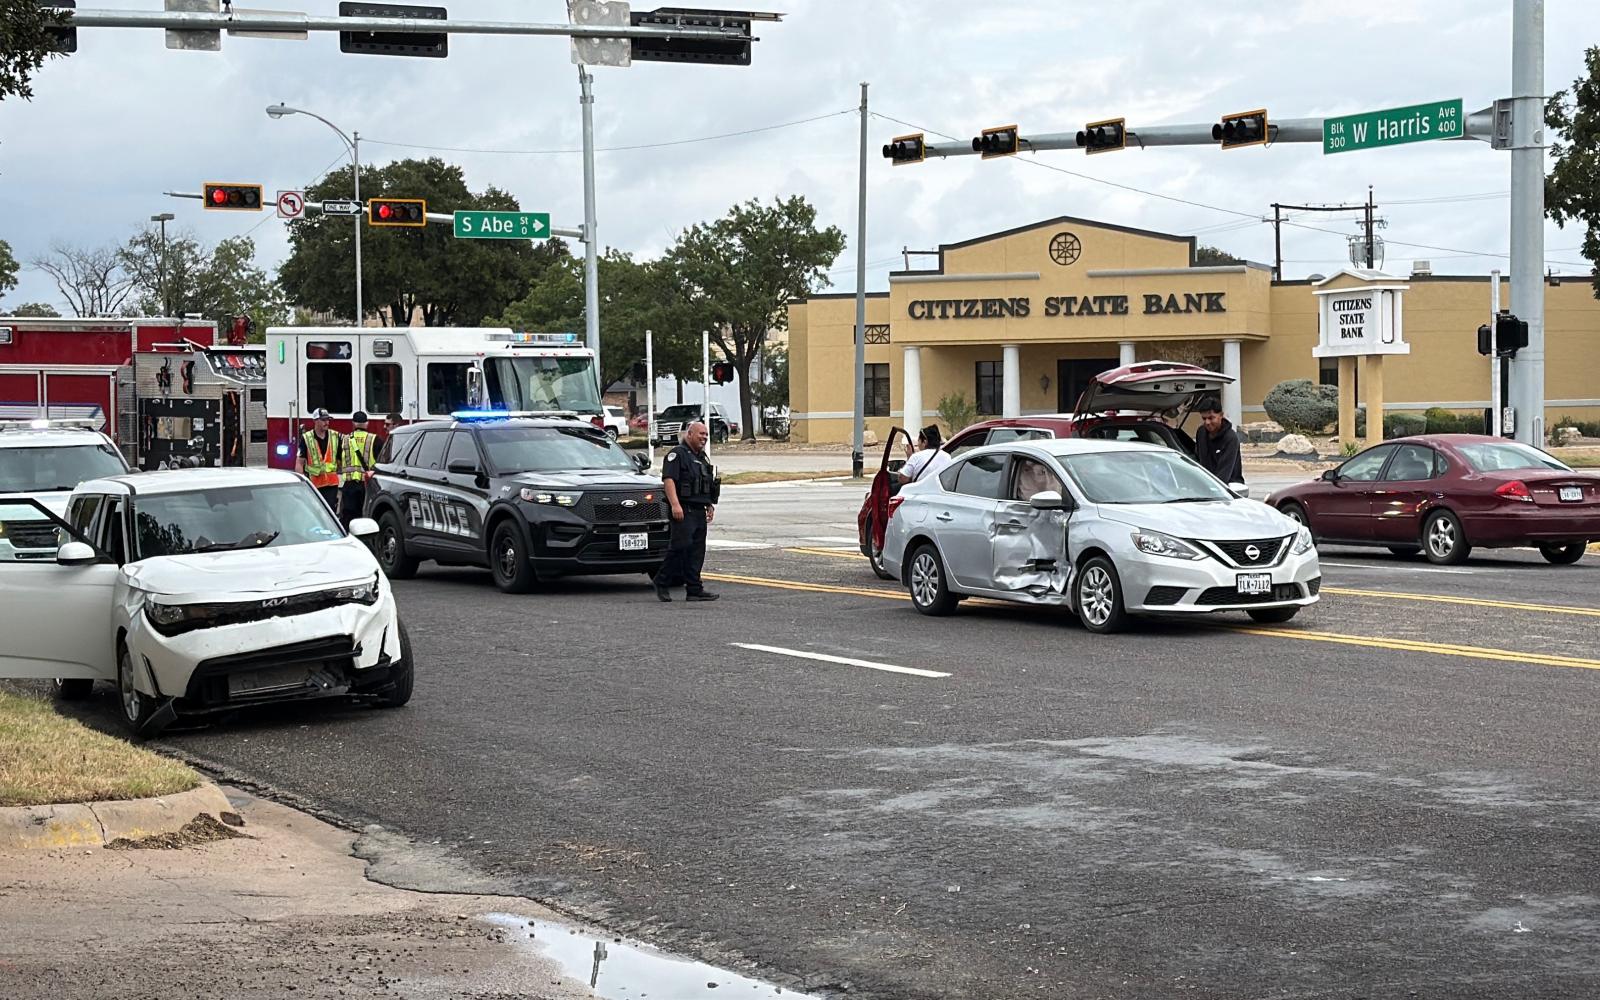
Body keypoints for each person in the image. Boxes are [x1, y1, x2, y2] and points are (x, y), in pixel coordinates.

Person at [653, 420, 720, 603]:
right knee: (680, 548)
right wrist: (675, 504)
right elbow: (669, 480)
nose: (704, 438)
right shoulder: (677, 455)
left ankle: (694, 590)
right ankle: (662, 581)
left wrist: (709, 504)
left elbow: (704, 484)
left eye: (706, 435)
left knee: (697, 552)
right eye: (701, 434)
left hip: (699, 510)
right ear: (689, 434)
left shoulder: (701, 457)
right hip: (683, 510)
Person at [296, 408, 343, 515]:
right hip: (314, 484)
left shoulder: (335, 436)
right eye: (323, 420)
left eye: (328, 420)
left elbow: (341, 460)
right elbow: (299, 463)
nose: (327, 422)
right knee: (315, 513)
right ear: (315, 421)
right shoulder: (306, 438)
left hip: (332, 485)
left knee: (330, 513)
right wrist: (301, 484)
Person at [339, 411, 380, 531]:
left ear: (353, 423)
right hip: (367, 485)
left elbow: (338, 460)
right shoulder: (374, 439)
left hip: (349, 485)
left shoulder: (345, 439)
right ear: (367, 424)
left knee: (348, 517)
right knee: (366, 517)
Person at [1194, 396, 1244, 485]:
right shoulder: (1201, 432)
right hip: (1205, 485)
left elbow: (1224, 475)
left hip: (1228, 489)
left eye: (1211, 418)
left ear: (1221, 415)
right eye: (1204, 419)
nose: (1207, 422)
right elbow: (1197, 461)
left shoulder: (1230, 438)